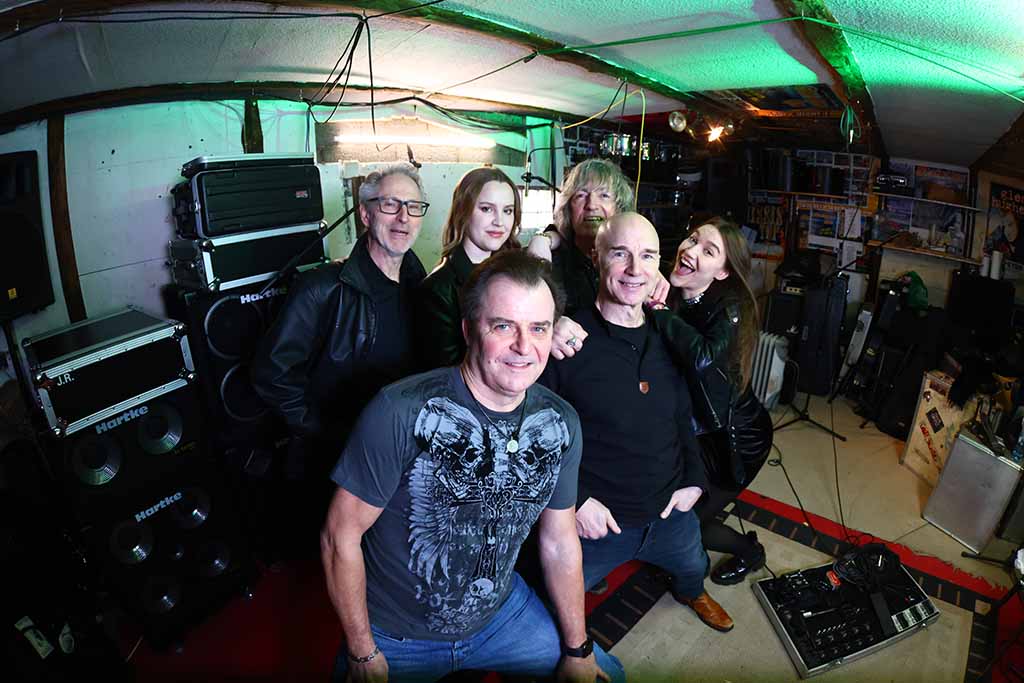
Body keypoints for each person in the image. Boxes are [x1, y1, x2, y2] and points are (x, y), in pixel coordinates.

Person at [321, 250, 625, 683]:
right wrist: (362, 651)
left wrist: (578, 649)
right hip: (396, 635)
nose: (524, 347)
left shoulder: (559, 422)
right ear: (468, 330)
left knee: (606, 675)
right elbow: (339, 536)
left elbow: (559, 541)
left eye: (539, 328)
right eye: (503, 326)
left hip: (501, 616)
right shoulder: (400, 410)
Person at [540, 212, 734, 633]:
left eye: (647, 256)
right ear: (596, 257)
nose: (634, 269)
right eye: (620, 254)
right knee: (550, 614)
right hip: (598, 523)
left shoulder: (670, 335)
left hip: (670, 514)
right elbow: (536, 438)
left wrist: (694, 481)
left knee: (693, 567)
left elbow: (681, 418)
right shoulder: (568, 343)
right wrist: (576, 501)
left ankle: (691, 591)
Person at [251, 164, 428, 548]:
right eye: (390, 204)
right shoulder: (322, 289)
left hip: (400, 457)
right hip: (338, 462)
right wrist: (322, 431)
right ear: (365, 214)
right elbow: (271, 373)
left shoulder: (422, 288)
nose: (403, 217)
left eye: (413, 207)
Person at [647, 216, 773, 585]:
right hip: (700, 430)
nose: (691, 250)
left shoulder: (729, 308)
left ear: (722, 272)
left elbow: (702, 356)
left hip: (736, 438)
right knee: (673, 507)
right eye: (692, 239)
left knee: (689, 520)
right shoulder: (674, 289)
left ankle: (750, 552)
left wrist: (658, 311)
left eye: (709, 251)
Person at [415, 167, 521, 369]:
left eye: (507, 211)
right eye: (486, 209)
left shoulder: (514, 272)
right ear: (463, 211)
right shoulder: (437, 289)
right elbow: (446, 372)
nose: (499, 222)